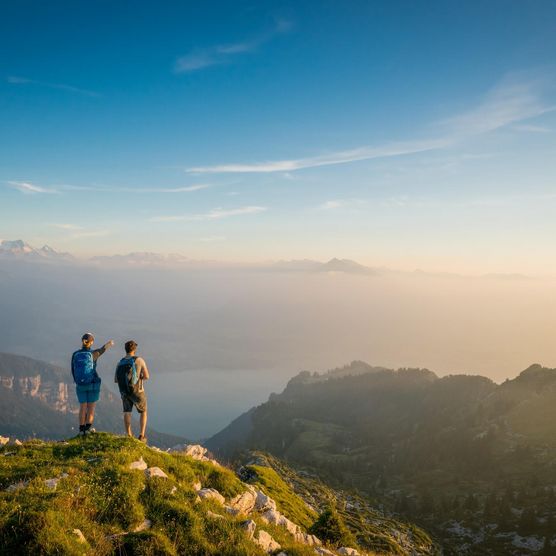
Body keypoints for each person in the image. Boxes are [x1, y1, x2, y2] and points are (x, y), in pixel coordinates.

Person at [71, 333, 114, 436]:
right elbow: (103, 349)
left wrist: (77, 381)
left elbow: (73, 369)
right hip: (93, 384)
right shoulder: (93, 353)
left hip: (80, 384)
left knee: (82, 407)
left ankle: (81, 430)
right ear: (92, 342)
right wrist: (109, 344)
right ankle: (88, 428)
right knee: (91, 407)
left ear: (82, 341)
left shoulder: (75, 354)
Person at [115, 340, 150, 442]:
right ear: (134, 349)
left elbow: (116, 380)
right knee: (143, 411)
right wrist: (140, 377)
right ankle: (142, 435)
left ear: (125, 350)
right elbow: (147, 376)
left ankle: (129, 435)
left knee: (127, 412)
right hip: (138, 391)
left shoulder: (120, 362)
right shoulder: (139, 360)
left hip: (124, 392)